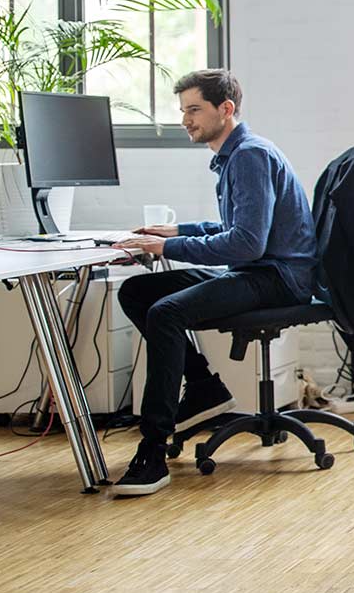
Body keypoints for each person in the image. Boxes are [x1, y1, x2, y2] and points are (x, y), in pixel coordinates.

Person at [110, 70, 317, 496]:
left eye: (194, 110)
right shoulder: (235, 154)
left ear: (226, 109)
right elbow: (236, 227)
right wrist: (174, 231)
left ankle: (152, 449)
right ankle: (204, 388)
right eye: (183, 110)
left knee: (166, 313)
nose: (186, 119)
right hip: (259, 269)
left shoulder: (249, 156)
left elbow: (245, 244)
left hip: (276, 277)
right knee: (137, 291)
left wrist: (167, 249)